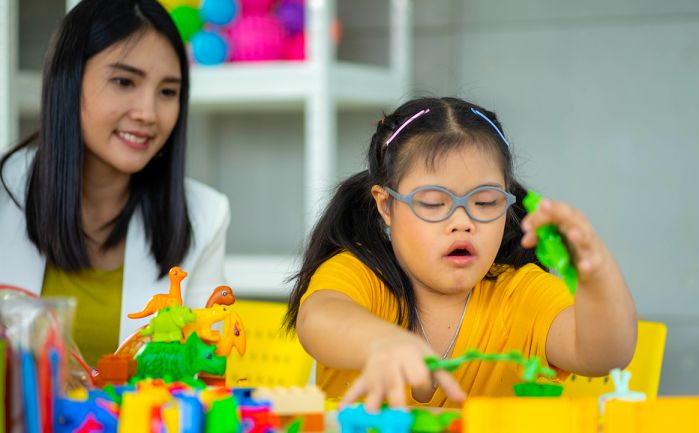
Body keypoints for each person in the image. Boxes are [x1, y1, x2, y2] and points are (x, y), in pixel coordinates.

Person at [284, 97, 637, 409]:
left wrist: (597, 276)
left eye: (485, 202)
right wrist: (382, 343)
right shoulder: (361, 273)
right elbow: (318, 319)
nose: (463, 222)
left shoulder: (523, 294)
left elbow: (604, 356)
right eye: (435, 203)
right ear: (386, 205)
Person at [0, 0, 230, 365]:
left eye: (168, 92)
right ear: (68, 82)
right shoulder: (4, 193)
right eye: (124, 82)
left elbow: (202, 374)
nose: (148, 113)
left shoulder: (205, 215)